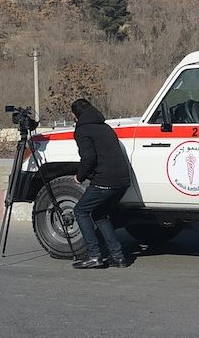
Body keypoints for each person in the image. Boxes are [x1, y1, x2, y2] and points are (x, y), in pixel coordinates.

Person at [70, 98, 132, 269]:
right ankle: (118, 257)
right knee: (100, 214)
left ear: (75, 115)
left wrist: (80, 176)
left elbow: (88, 157)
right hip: (123, 181)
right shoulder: (105, 127)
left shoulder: (82, 129)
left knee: (80, 211)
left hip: (106, 180)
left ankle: (94, 256)